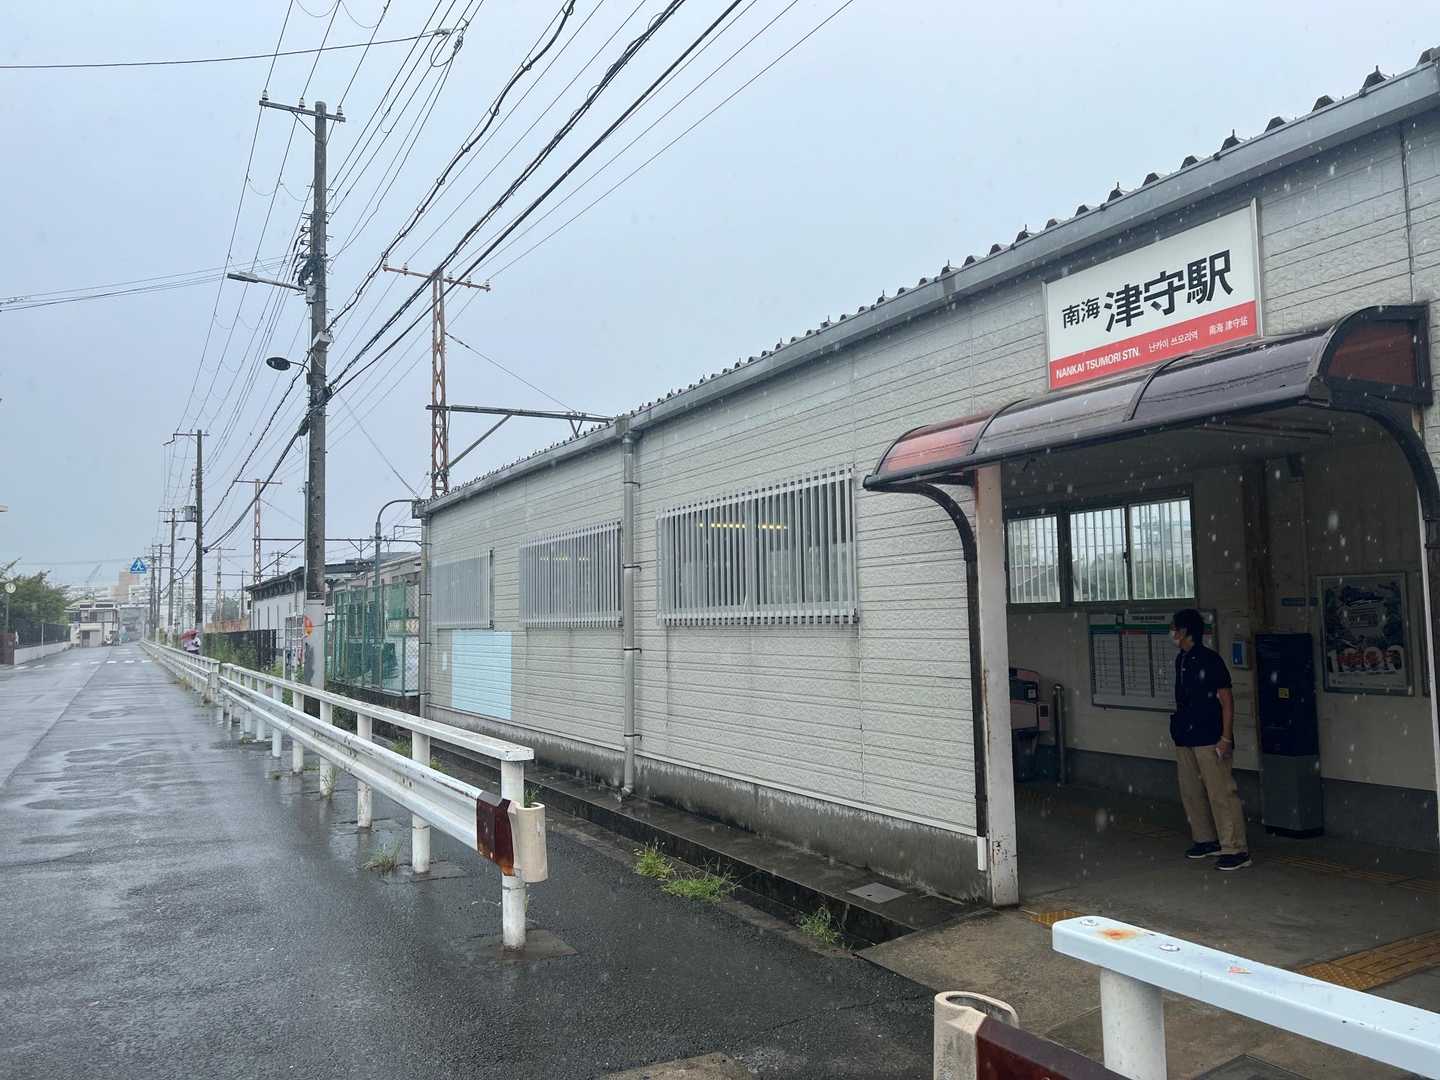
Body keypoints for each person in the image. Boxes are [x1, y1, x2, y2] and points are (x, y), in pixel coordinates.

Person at [1170, 608, 1250, 871]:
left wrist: (1225, 737)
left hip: (1210, 736)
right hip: (1185, 735)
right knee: (1191, 791)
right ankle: (1206, 839)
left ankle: (1236, 848)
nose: (1172, 633)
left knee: (1221, 793)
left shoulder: (1210, 660)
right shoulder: (1181, 660)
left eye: (1174, 628)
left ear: (1184, 631)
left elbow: (1226, 700)